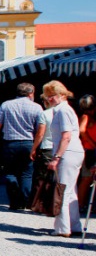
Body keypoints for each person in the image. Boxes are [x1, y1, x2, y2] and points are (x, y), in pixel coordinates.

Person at [0, 83, 42, 210]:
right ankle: (25, 201)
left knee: (10, 172)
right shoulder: (37, 107)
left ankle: (14, 202)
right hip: (28, 142)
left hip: (10, 142)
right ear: (31, 93)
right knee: (27, 173)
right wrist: (36, 146)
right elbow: (40, 129)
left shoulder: (6, 105)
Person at [43, 81, 85, 237]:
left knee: (62, 191)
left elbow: (66, 136)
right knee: (70, 190)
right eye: (48, 96)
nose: (49, 99)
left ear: (61, 95)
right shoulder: (63, 110)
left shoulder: (62, 111)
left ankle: (62, 228)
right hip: (73, 151)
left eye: (52, 96)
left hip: (67, 152)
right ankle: (74, 225)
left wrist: (56, 157)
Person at [77, 95, 96, 210]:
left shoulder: (88, 117)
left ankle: (83, 204)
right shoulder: (85, 116)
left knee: (88, 178)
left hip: (90, 149)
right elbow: (82, 131)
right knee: (86, 178)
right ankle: (80, 204)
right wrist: (93, 144)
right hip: (89, 150)